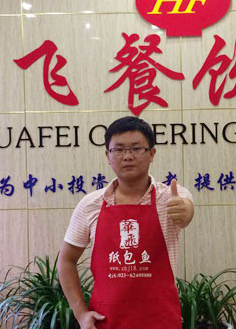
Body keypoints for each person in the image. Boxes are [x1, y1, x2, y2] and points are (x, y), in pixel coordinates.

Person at [57, 116, 194, 329]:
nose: (127, 156)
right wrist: (81, 314)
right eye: (119, 150)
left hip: (161, 321)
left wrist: (184, 211)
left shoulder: (170, 197)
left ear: (152, 153)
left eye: (136, 148)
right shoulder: (90, 205)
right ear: (108, 155)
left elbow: (185, 210)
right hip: (106, 322)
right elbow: (66, 261)